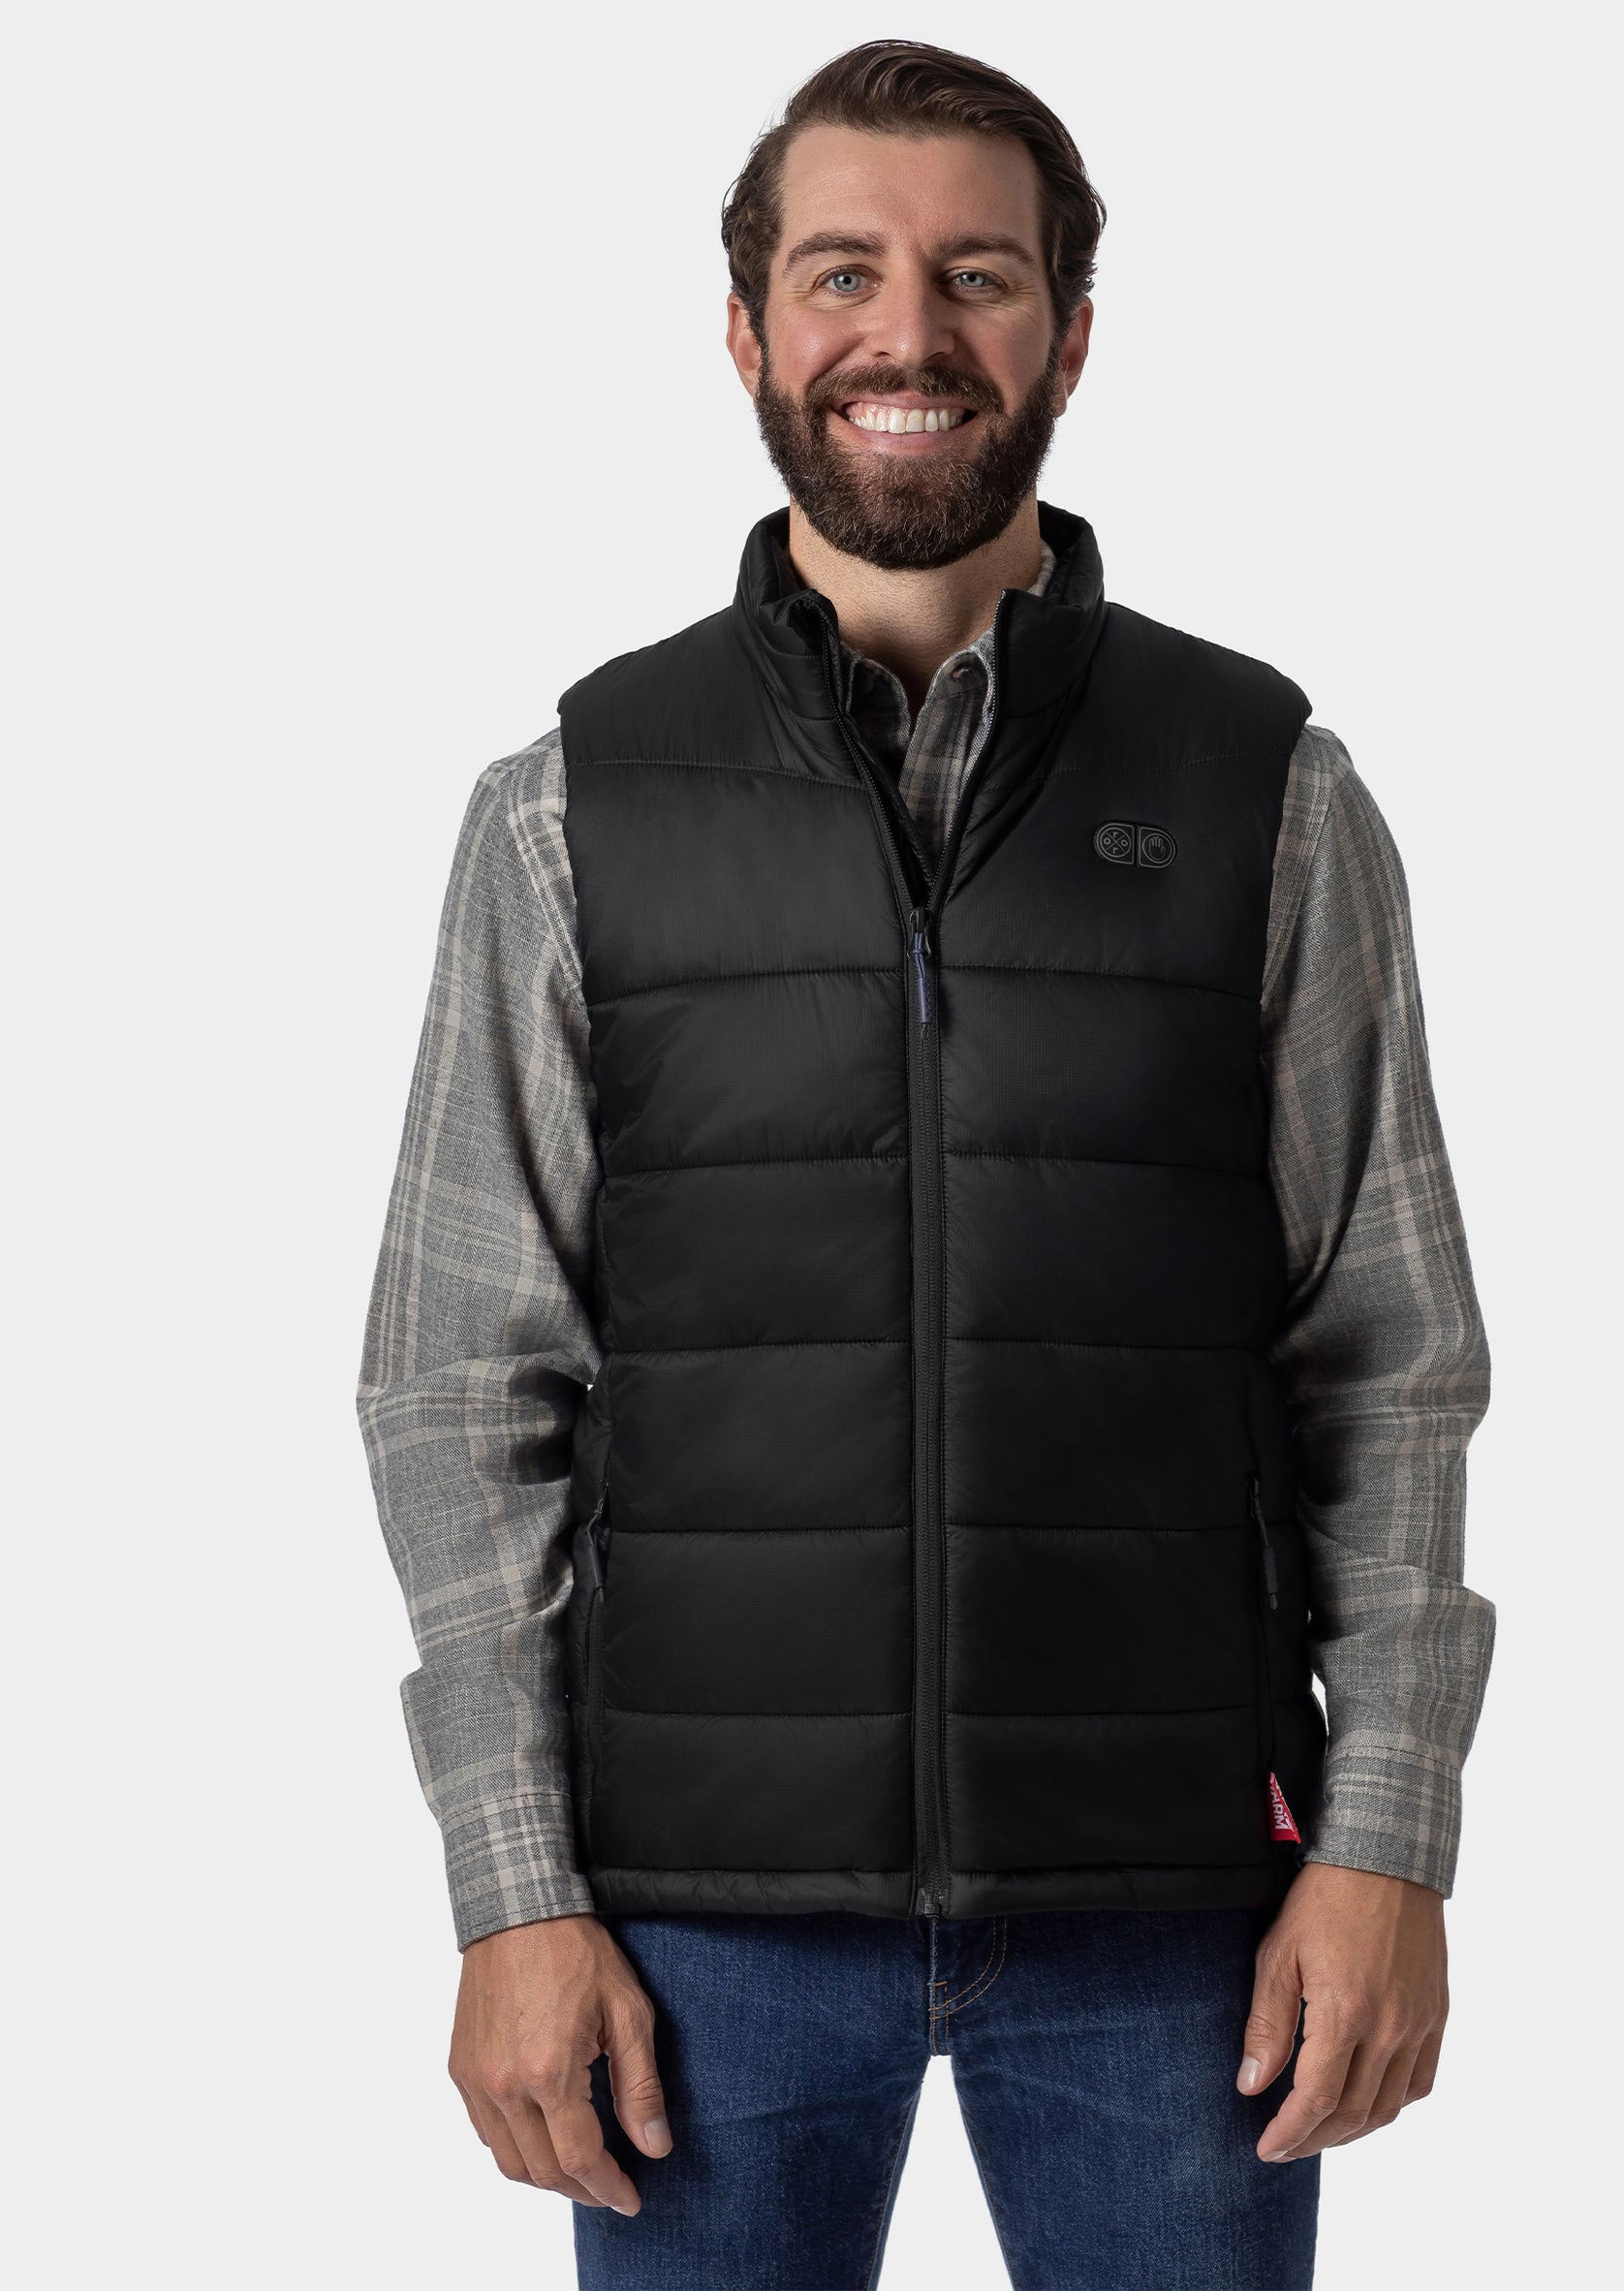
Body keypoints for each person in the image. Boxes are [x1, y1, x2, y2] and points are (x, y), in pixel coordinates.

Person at [358, 40, 1494, 2291]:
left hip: (1181, 1917)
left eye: (978, 275)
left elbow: (1385, 1361)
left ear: (1068, 335)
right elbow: (457, 1387)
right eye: (841, 273)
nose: (907, 332)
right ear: (746, 330)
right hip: (693, 1934)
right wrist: (512, 1893)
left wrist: (1388, 1838)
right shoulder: (570, 807)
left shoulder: (1269, 791)